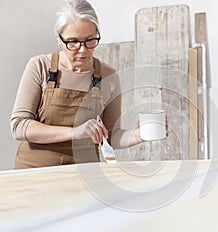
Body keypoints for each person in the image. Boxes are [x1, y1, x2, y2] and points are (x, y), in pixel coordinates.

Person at [10, 0, 142, 169]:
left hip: (85, 172)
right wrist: (74, 132)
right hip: (35, 172)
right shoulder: (39, 66)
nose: (82, 50)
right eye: (73, 42)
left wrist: (137, 136)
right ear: (59, 38)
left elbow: (111, 136)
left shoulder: (108, 76)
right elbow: (19, 126)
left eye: (90, 40)